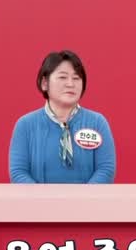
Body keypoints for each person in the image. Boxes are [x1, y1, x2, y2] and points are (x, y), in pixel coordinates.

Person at [9, 50, 115, 183]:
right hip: (37, 197)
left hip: (87, 197)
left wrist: (84, 196)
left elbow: (106, 169)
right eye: (62, 77)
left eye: (76, 78)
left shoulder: (97, 122)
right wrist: (40, 196)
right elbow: (18, 172)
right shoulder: (25, 124)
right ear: (44, 83)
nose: (70, 84)